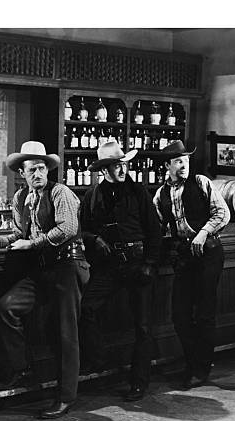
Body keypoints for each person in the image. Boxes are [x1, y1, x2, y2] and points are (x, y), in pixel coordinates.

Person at [0, 141, 89, 419]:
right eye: (32, 170)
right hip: (42, 269)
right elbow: (18, 233)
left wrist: (33, 243)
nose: (38, 174)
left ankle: (66, 397)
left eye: (41, 168)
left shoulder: (60, 192)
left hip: (67, 264)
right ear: (22, 173)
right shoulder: (20, 199)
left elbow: (68, 227)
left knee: (66, 333)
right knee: (6, 308)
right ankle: (22, 368)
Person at [80, 141, 161, 402]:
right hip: (110, 265)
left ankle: (139, 382)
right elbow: (83, 228)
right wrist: (94, 239)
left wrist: (149, 263)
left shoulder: (138, 191)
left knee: (143, 326)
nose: (122, 169)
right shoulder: (93, 195)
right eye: (115, 166)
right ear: (104, 170)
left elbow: (154, 230)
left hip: (138, 263)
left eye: (123, 164)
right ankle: (98, 358)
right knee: (86, 307)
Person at [153, 140, 230, 388]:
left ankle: (201, 369)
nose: (183, 165)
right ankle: (191, 363)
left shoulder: (201, 183)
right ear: (167, 165)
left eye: (185, 160)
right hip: (183, 256)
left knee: (205, 313)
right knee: (180, 315)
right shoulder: (161, 193)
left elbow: (223, 213)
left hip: (208, 252)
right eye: (177, 161)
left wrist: (203, 232)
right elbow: (159, 226)